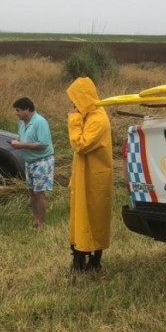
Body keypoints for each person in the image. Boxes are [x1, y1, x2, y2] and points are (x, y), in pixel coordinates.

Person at [66, 77, 113, 271]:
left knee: (94, 219)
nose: (73, 106)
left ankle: (94, 262)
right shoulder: (89, 116)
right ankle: (79, 259)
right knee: (81, 219)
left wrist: (74, 119)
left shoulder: (98, 119)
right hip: (84, 178)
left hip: (94, 180)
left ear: (83, 98)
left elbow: (80, 144)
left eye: (75, 101)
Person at [10, 97, 54, 228]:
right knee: (32, 192)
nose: (17, 113)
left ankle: (41, 223)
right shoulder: (22, 123)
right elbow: (23, 138)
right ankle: (36, 220)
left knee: (39, 193)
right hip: (29, 161)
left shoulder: (40, 122)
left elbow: (43, 144)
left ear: (27, 110)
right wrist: (17, 142)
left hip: (42, 161)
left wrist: (22, 145)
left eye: (18, 110)